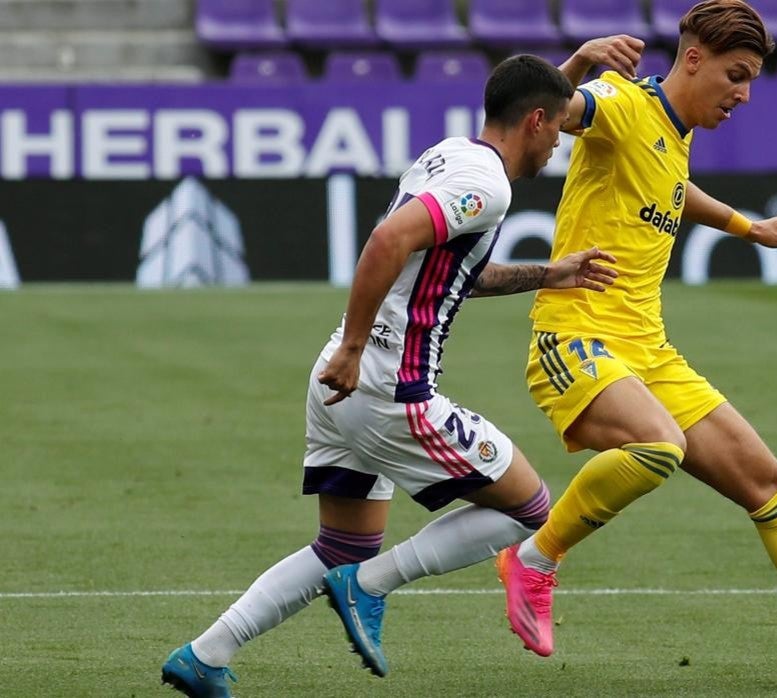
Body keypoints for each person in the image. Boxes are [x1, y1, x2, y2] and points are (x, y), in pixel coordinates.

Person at [495, 1, 777, 685]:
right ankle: (533, 560)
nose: (742, 94)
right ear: (692, 59)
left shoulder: (670, 126)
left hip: (647, 350)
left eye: (750, 81)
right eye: (735, 76)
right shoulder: (619, 102)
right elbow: (539, 115)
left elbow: (670, 187)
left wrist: (750, 227)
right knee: (658, 447)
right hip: (577, 336)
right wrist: (581, 63)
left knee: (769, 484)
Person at [160, 54, 624, 697]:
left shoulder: (448, 155)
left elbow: (452, 275)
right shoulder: (489, 186)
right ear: (538, 121)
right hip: (387, 388)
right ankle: (371, 587)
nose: (561, 142)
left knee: (341, 545)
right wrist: (356, 347)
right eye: (559, 127)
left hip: (339, 382)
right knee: (530, 510)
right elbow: (387, 242)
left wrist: (549, 273)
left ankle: (206, 655)